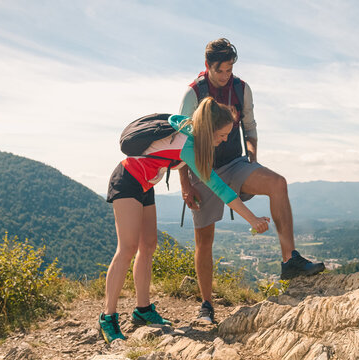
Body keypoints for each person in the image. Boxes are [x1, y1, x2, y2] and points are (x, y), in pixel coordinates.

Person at [99, 98, 270, 343]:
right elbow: (220, 189)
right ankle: (108, 318)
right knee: (127, 248)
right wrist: (252, 219)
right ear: (209, 129)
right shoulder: (190, 145)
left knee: (148, 245)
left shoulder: (189, 130)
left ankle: (143, 310)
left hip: (145, 183)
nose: (224, 140)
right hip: (127, 180)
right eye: (222, 135)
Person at [179, 38, 325, 324]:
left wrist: (253, 161)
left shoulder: (241, 88)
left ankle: (289, 260)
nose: (226, 75)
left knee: (278, 183)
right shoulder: (193, 94)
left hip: (236, 163)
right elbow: (181, 142)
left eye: (230, 69)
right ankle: (206, 306)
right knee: (204, 240)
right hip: (202, 171)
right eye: (220, 70)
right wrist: (185, 185)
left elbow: (250, 127)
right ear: (207, 66)